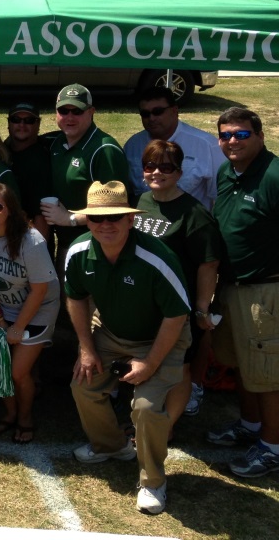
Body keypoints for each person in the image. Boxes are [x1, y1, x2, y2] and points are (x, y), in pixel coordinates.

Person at [64, 181, 190, 515]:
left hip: (161, 336)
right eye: (96, 219)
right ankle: (112, 447)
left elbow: (177, 316)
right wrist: (86, 349)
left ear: (130, 220)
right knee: (84, 385)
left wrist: (149, 363)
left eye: (115, 217)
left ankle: (153, 482)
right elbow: (76, 299)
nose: (105, 225)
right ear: (87, 221)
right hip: (109, 330)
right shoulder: (77, 251)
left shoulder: (157, 257)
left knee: (147, 408)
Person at [207, 107, 279, 478]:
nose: (232, 141)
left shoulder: (273, 176)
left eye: (241, 134)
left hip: (265, 288)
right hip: (232, 285)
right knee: (241, 365)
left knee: (267, 373)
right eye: (225, 135)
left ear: (260, 136)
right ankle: (250, 427)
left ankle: (272, 446)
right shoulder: (227, 171)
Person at [133, 140, 221, 422]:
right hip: (146, 303)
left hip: (177, 306)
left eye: (166, 167)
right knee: (152, 360)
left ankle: (168, 424)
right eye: (150, 166)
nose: (157, 172)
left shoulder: (195, 214)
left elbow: (209, 264)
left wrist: (201, 308)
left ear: (179, 172)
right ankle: (152, 417)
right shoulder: (144, 202)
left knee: (179, 367)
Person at [0, 183, 59, 444]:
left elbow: (40, 290)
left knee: (19, 372)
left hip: (38, 307)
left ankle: (25, 418)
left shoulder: (30, 240)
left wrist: (18, 327)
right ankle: (10, 414)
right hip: (2, 306)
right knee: (0, 366)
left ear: (10, 210)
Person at [43, 84, 130, 272]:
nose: (70, 117)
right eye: (64, 111)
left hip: (96, 246)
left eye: (77, 111)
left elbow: (114, 207)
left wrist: (70, 219)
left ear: (91, 112)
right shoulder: (57, 143)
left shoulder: (104, 150)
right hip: (67, 244)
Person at [123, 88, 225, 209]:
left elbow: (220, 197)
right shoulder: (133, 145)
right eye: (145, 114)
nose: (151, 118)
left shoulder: (206, 145)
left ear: (174, 110)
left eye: (158, 111)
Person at [5, 102, 52, 239]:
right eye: (16, 120)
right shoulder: (1, 152)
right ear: (9, 123)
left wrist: (37, 251)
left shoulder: (41, 161)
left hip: (29, 239)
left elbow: (42, 213)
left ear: (38, 124)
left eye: (29, 120)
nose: (22, 125)